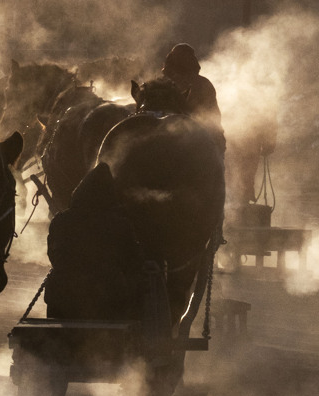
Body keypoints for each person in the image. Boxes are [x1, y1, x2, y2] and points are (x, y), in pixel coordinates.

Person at [44, 163, 144, 320]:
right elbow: (133, 263)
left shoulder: (60, 221)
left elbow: (54, 257)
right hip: (108, 302)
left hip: (62, 300)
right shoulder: (121, 225)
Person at [161, 43, 225, 151]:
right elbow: (213, 114)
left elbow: (211, 114)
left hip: (193, 132)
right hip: (192, 133)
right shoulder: (203, 83)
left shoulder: (162, 83)